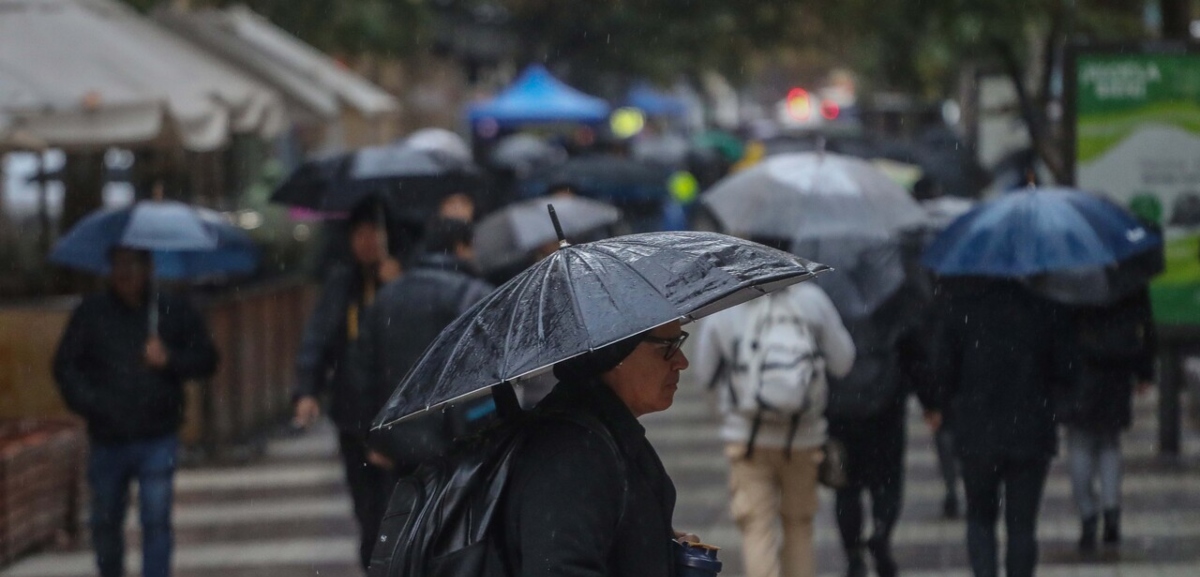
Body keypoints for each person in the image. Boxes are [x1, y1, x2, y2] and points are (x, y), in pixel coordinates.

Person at [54, 247, 218, 577]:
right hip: (108, 436)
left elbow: (207, 358)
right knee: (105, 521)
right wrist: (92, 404)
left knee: (156, 519)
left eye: (133, 265)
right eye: (118, 265)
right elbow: (66, 367)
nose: (126, 273)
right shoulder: (91, 313)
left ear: (149, 268)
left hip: (157, 434)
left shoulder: (171, 309)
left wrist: (169, 359)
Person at [500, 321, 698, 577]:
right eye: (668, 346)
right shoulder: (571, 454)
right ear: (615, 354)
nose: (682, 361)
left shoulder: (606, 432)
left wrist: (663, 547)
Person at [691, 282, 856, 577]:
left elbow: (704, 374)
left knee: (757, 529)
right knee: (799, 527)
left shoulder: (729, 301)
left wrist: (728, 415)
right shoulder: (812, 299)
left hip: (746, 439)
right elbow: (843, 361)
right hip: (804, 439)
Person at [928, 278, 1074, 577]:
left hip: (977, 431)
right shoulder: (1046, 308)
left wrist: (946, 406)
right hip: (1031, 431)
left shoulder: (962, 307)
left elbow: (942, 370)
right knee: (1022, 524)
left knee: (980, 518)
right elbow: (1067, 369)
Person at [292, 201, 402, 570]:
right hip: (354, 418)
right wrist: (307, 390)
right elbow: (317, 339)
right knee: (368, 511)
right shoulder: (342, 284)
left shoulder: (403, 280)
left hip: (398, 415)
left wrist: (397, 289)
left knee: (398, 510)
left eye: (375, 234)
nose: (368, 242)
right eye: (360, 235)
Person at [353, 217, 494, 474]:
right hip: (461, 440)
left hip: (399, 440)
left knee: (405, 512)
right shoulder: (473, 294)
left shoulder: (386, 297)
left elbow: (364, 374)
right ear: (461, 247)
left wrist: (373, 438)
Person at [1061, 289, 1156, 553]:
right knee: (1109, 442)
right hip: (1117, 370)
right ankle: (1111, 510)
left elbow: (1056, 324)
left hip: (1079, 370)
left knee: (1080, 443)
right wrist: (1144, 370)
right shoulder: (1127, 275)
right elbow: (1144, 323)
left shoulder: (1070, 274)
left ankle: (1088, 514)